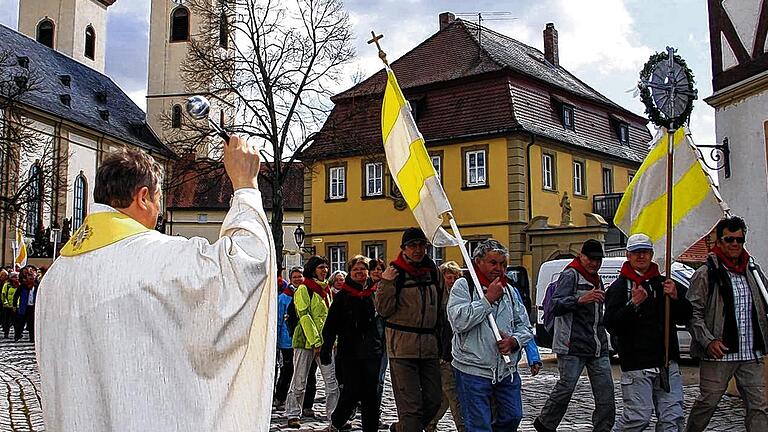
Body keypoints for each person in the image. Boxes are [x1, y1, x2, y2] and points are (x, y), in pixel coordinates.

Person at [35, 137, 278, 431]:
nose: (160, 211)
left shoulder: (55, 276)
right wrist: (246, 186)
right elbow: (244, 264)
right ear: (143, 197)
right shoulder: (160, 258)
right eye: (160, 199)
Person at [685, 216, 768, 432]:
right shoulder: (705, 273)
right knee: (707, 403)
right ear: (720, 242)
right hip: (719, 353)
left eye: (739, 240)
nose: (734, 245)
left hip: (751, 353)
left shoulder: (753, 271)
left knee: (759, 407)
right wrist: (707, 341)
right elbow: (693, 313)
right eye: (729, 239)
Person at [604, 233, 692, 431]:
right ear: (628, 255)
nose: (641, 256)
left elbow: (685, 317)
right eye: (636, 252)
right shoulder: (619, 287)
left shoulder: (666, 284)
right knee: (637, 419)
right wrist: (633, 304)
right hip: (637, 365)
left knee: (672, 418)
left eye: (644, 252)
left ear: (651, 254)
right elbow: (611, 324)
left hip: (667, 362)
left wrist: (677, 297)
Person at [447, 240, 533, 431]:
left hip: (506, 368)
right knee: (479, 425)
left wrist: (514, 341)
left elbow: (525, 326)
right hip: (473, 368)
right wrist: (487, 300)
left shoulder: (509, 290)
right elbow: (458, 321)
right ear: (478, 262)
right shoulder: (464, 285)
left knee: (513, 416)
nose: (499, 268)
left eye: (503, 264)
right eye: (493, 263)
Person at [534, 239, 615, 432]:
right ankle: (545, 424)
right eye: (591, 259)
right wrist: (580, 299)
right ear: (582, 256)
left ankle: (603, 428)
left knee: (606, 393)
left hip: (597, 344)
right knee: (566, 388)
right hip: (572, 344)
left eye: (598, 259)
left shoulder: (597, 278)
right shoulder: (570, 275)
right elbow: (555, 306)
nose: (595, 263)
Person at [375, 227, 443, 432]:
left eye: (422, 245)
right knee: (411, 409)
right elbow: (383, 310)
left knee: (435, 400)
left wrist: (442, 342)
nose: (418, 250)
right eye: (413, 245)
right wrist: (386, 282)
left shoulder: (433, 272)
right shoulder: (395, 273)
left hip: (430, 347)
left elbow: (441, 309)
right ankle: (407, 427)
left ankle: (402, 428)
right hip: (402, 347)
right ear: (404, 248)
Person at [321, 255, 384, 432]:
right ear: (350, 272)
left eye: (362, 269)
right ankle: (337, 421)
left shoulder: (374, 293)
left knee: (371, 394)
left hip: (372, 351)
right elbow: (331, 324)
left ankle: (370, 429)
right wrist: (327, 347)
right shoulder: (343, 296)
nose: (359, 272)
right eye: (355, 269)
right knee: (352, 391)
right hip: (349, 352)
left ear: (367, 272)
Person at [285, 256, 340, 429]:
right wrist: (315, 341)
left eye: (325, 267)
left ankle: (334, 416)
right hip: (305, 341)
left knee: (331, 382)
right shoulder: (304, 289)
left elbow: (330, 317)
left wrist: (333, 339)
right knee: (300, 380)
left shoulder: (327, 290)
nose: (324, 270)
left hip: (326, 342)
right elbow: (305, 316)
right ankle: (293, 413)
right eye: (320, 267)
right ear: (312, 269)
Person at [427, 261, 465, 432]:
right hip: (443, 354)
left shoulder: (460, 297)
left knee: (444, 396)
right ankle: (463, 427)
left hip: (458, 353)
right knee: (454, 394)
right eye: (449, 277)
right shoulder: (436, 299)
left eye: (456, 277)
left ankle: (428, 422)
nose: (453, 280)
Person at [13, 265, 37, 343]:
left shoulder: (37, 286)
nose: (31, 279)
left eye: (33, 278)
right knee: (20, 323)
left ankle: (32, 338)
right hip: (24, 307)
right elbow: (16, 295)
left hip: (33, 307)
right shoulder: (23, 286)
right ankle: (17, 336)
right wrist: (14, 305)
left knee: (31, 324)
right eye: (30, 278)